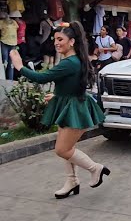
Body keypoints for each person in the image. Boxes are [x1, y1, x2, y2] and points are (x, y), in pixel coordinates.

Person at [9, 21, 110, 199]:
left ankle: (96, 169)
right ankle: (72, 180)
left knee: (62, 149)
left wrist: (19, 66)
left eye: (60, 39)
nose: (56, 42)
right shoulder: (72, 60)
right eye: (55, 39)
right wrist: (57, 96)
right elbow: (72, 85)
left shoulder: (70, 62)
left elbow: (42, 78)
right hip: (71, 104)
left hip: (75, 108)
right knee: (67, 147)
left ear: (71, 42)